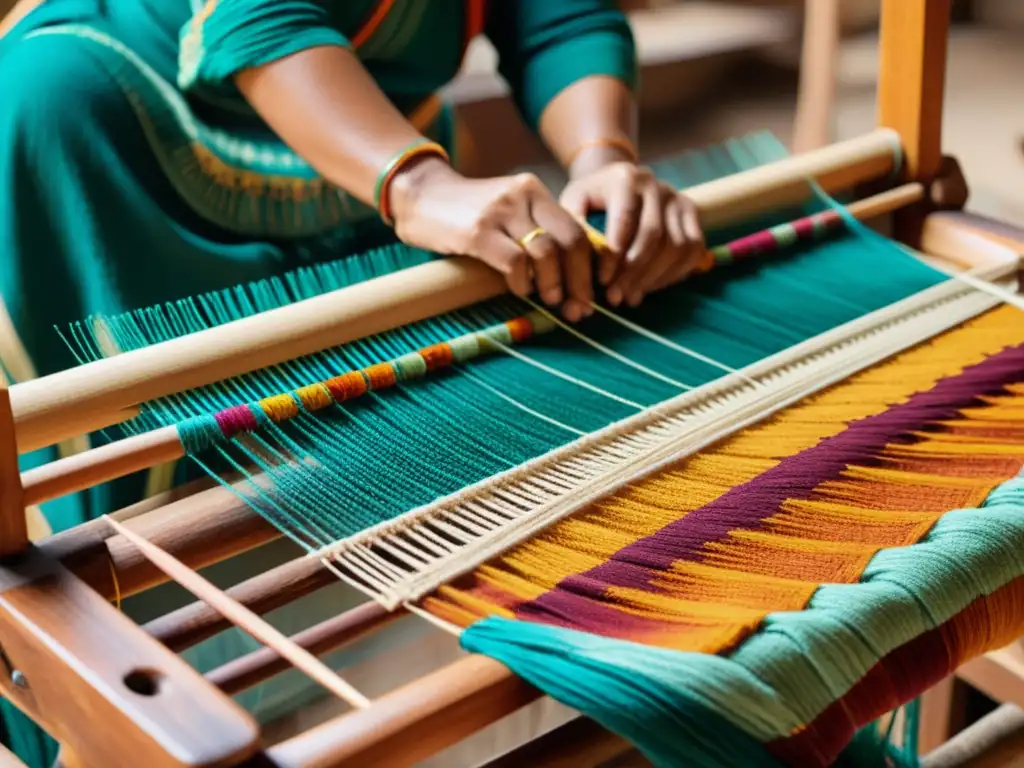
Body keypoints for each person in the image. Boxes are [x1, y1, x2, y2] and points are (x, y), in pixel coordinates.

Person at [0, 1, 703, 764]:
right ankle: (125, 712)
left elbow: (556, 15)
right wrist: (418, 185)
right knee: (143, 473)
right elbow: (257, 15)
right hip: (123, 133)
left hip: (371, 128)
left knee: (376, 426)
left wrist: (605, 160)